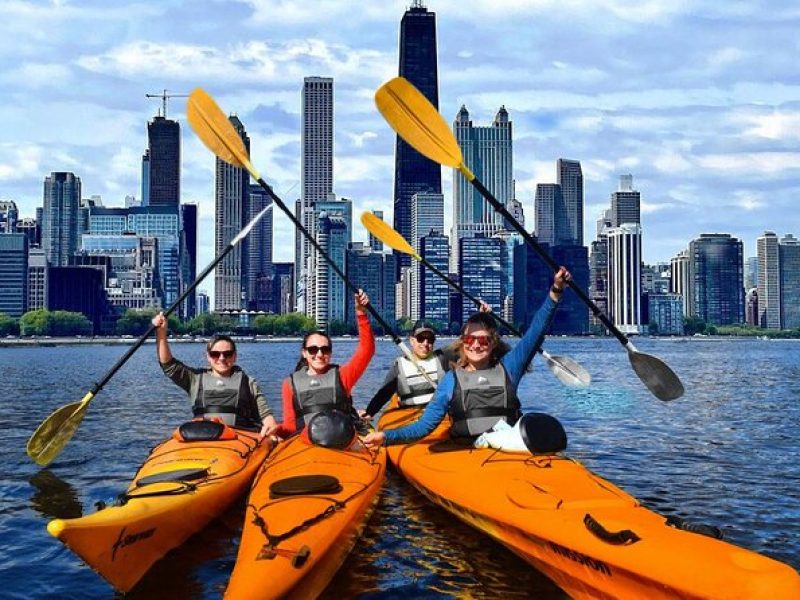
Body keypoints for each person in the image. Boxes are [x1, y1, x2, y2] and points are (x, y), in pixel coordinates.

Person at [363, 267, 571, 448]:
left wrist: (556, 291)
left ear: (493, 343)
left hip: (508, 449)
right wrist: (385, 436)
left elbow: (535, 332)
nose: (477, 345)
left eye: (483, 340)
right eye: (471, 340)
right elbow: (423, 427)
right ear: (463, 343)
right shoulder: (451, 381)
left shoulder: (509, 368)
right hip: (465, 452)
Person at [151, 312, 278, 437]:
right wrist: (161, 333)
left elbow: (266, 416)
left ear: (235, 356)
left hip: (240, 441)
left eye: (227, 354)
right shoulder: (194, 379)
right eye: (215, 354)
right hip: (203, 440)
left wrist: (270, 425)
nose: (221, 358)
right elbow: (168, 365)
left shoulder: (249, 382)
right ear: (208, 357)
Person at [275, 290, 375, 438]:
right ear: (304, 353)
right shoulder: (289, 384)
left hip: (341, 440)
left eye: (325, 349)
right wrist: (274, 429)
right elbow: (290, 426)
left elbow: (367, 350)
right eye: (313, 350)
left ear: (331, 352)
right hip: (305, 444)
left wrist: (361, 313)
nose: (320, 354)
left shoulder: (343, 375)